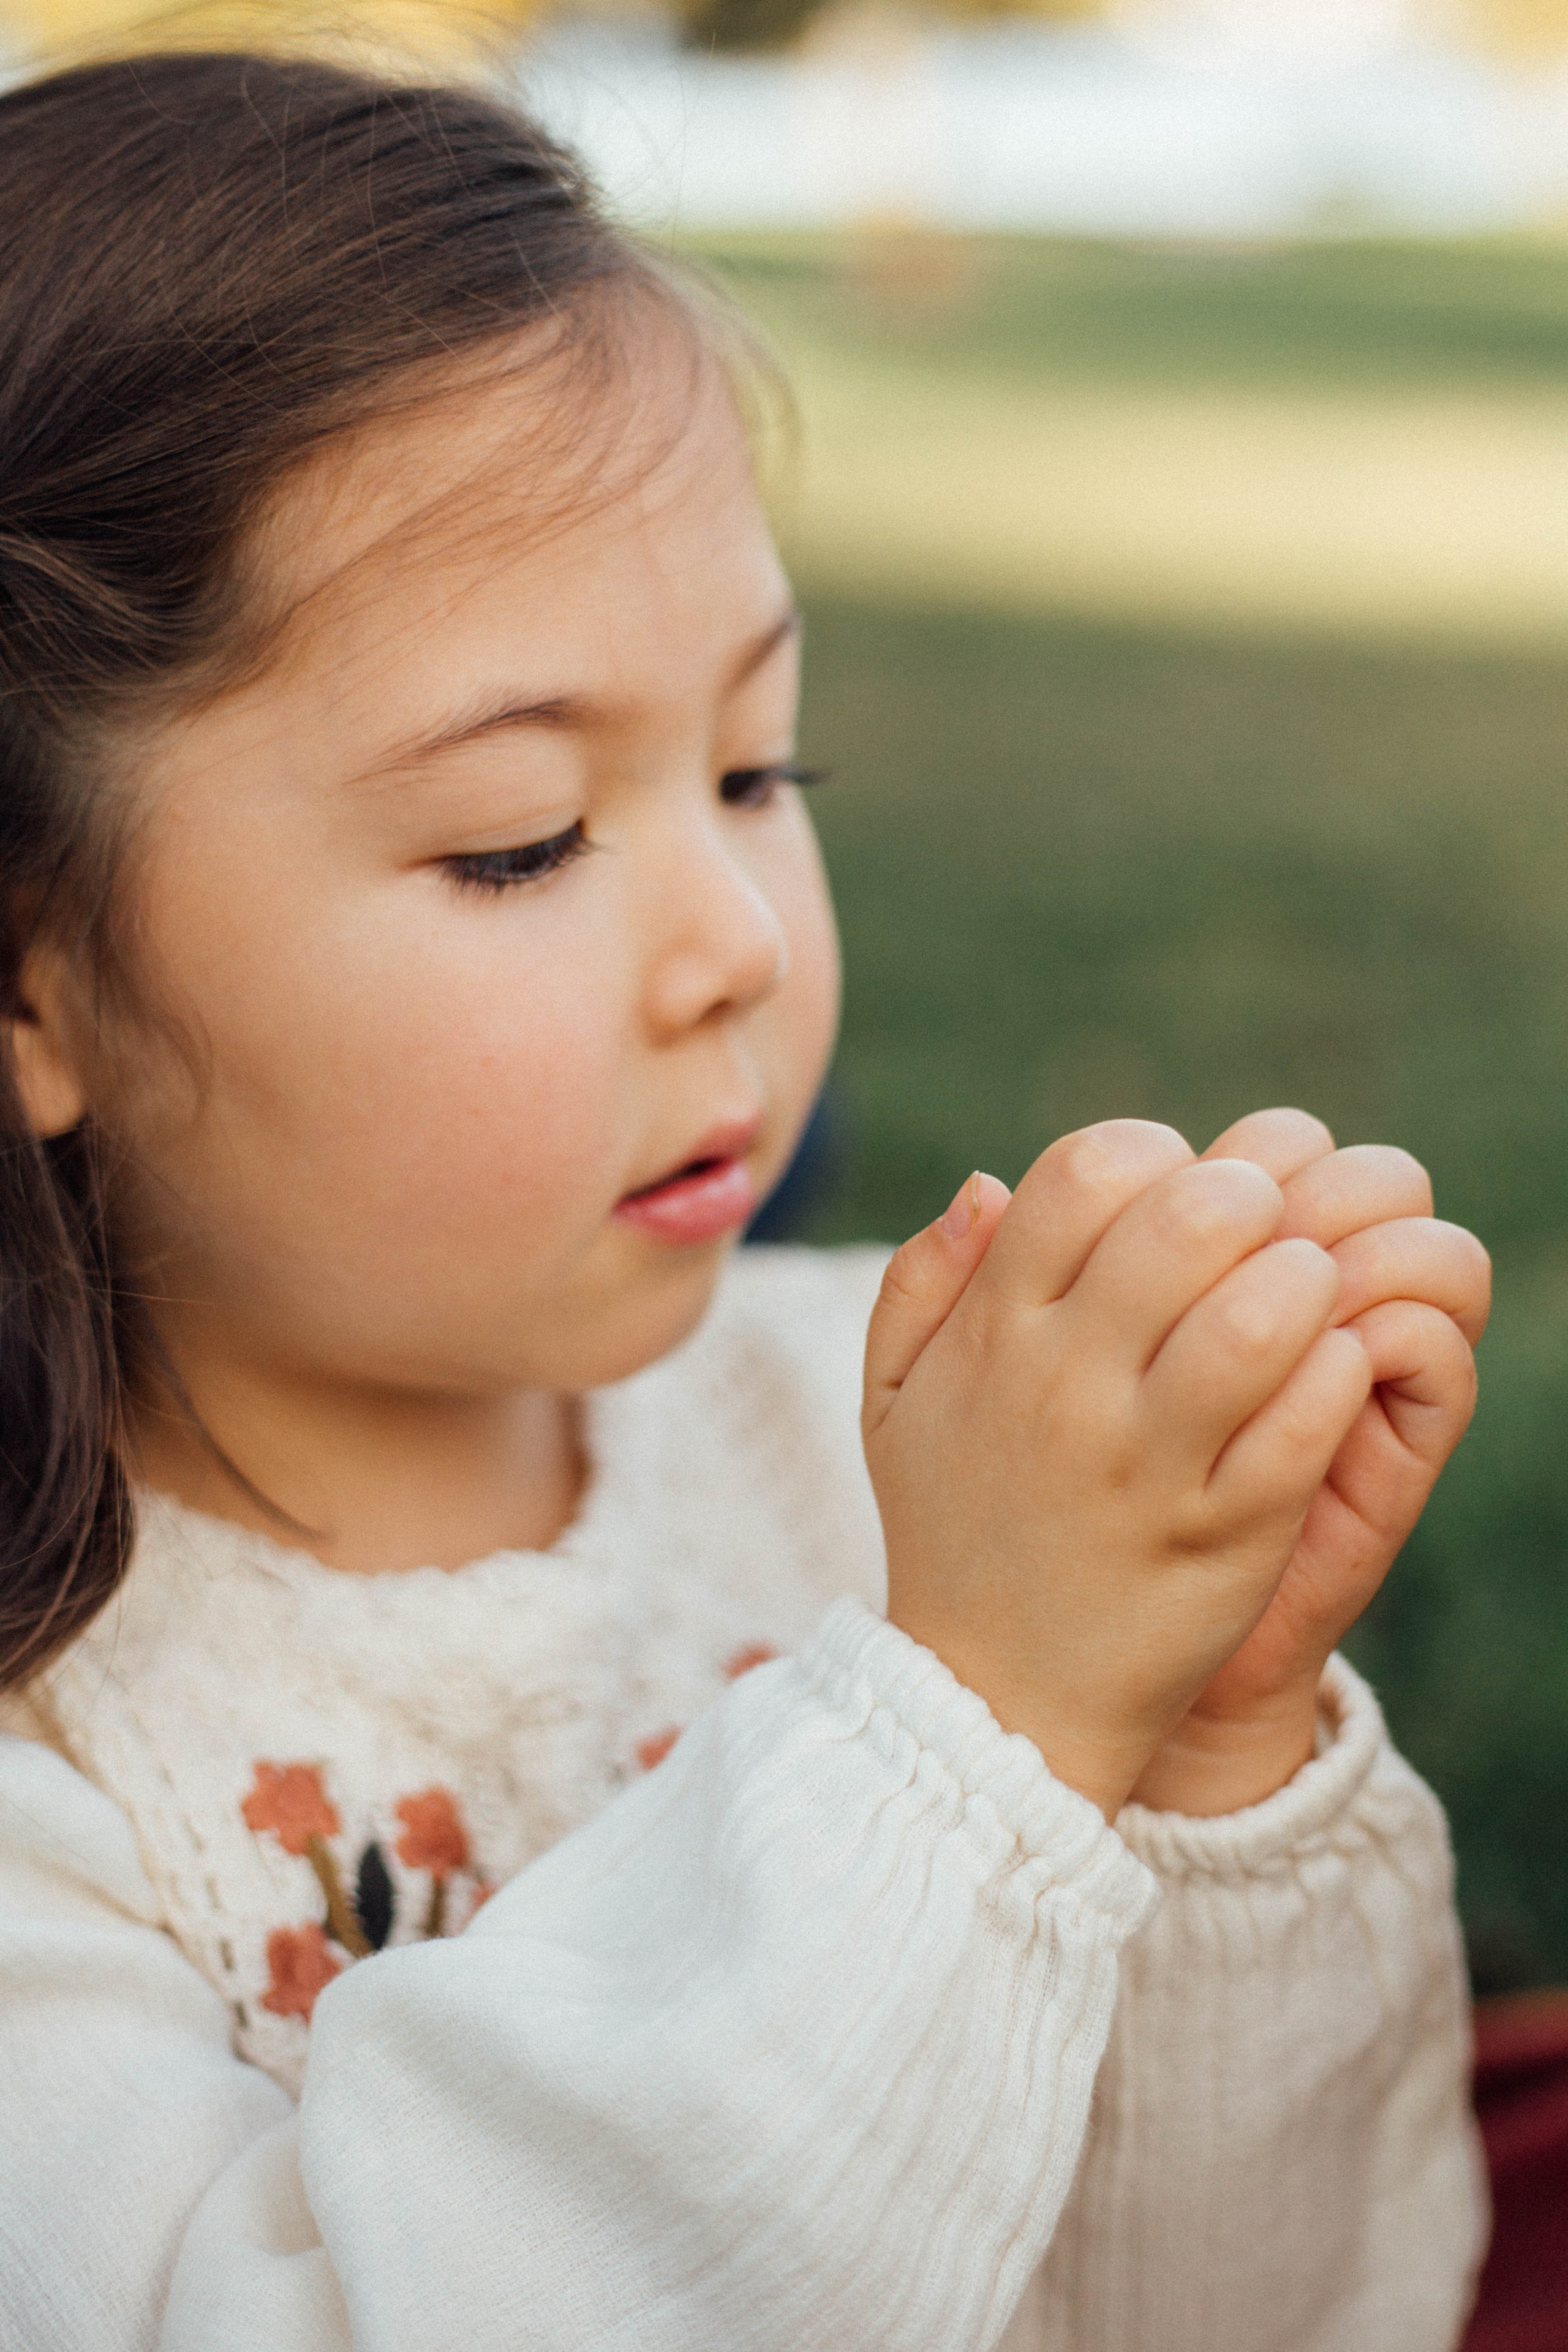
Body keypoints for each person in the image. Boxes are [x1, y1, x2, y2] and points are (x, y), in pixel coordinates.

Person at [0, 50, 1493, 2352]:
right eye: (520, 841)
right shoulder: (55, 1766)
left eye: (753, 768)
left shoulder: (880, 1430)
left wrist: (1204, 1747)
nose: (742, 945)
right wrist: (980, 1722)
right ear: (33, 980)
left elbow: (1282, 2311)